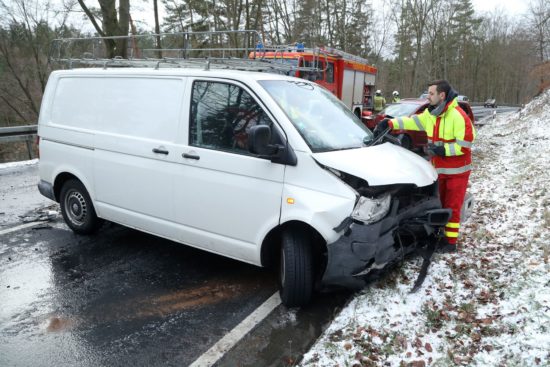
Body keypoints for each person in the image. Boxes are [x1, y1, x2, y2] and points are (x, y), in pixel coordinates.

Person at [374, 80, 476, 253]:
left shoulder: (458, 116)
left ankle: (450, 243)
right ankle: (439, 235)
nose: (428, 97)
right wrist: (390, 123)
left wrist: (443, 150)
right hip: (438, 170)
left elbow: (465, 144)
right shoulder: (431, 115)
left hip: (457, 172)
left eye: (431, 94)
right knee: (440, 204)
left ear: (441, 95)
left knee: (452, 206)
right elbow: (410, 122)